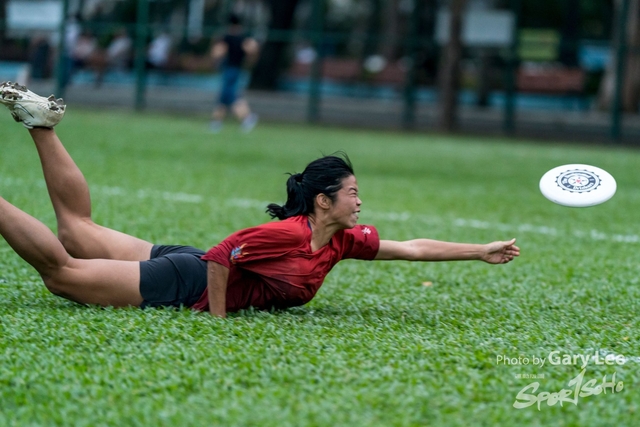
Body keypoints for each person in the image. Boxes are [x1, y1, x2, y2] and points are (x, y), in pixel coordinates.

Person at [0, 82, 520, 318]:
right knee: (61, 274)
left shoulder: (340, 241)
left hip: (187, 263)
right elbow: (221, 256)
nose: (360, 202)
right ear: (323, 202)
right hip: (186, 280)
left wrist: (480, 250)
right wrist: (217, 320)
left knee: (78, 229)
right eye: (353, 193)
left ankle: (42, 125)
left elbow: (412, 249)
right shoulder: (291, 233)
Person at [209, 13, 260, 133]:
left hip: (229, 69)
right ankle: (216, 122)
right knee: (225, 96)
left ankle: (247, 117)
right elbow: (253, 50)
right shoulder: (244, 38)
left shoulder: (226, 38)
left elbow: (217, 52)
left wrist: (214, 61)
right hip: (238, 69)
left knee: (230, 96)